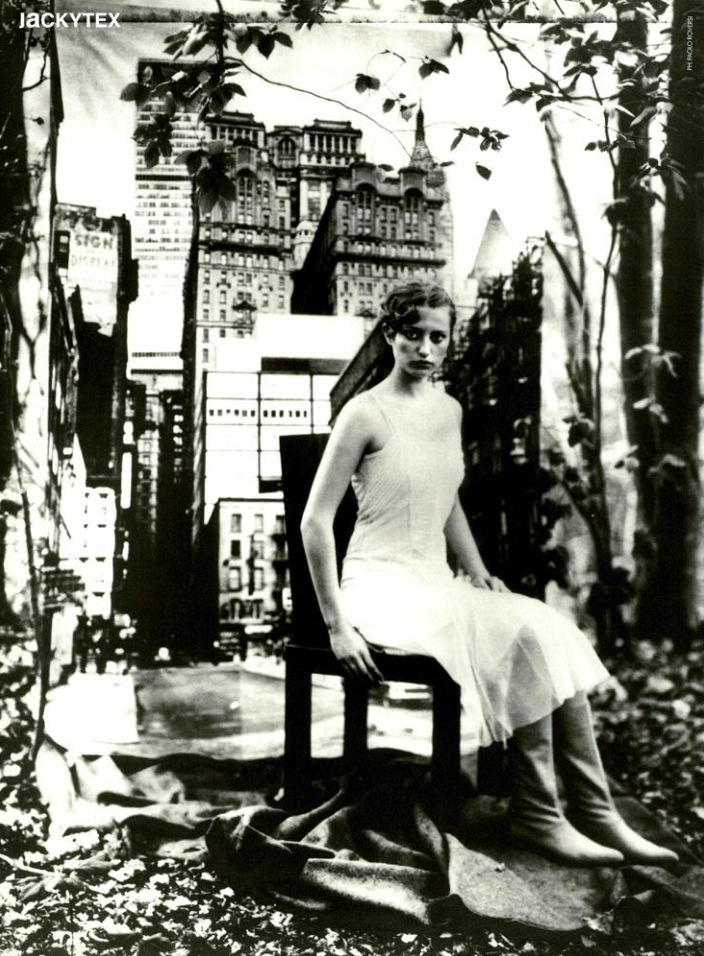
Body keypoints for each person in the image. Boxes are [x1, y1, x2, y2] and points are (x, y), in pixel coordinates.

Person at [301, 281, 677, 867]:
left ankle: (596, 811)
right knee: (522, 633)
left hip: (434, 583)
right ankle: (539, 816)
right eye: (412, 334)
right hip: (378, 588)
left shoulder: (449, 409)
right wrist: (337, 626)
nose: (425, 348)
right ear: (390, 334)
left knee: (547, 627)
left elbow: (447, 498)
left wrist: (476, 571)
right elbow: (314, 522)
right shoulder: (363, 413)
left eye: (437, 337)